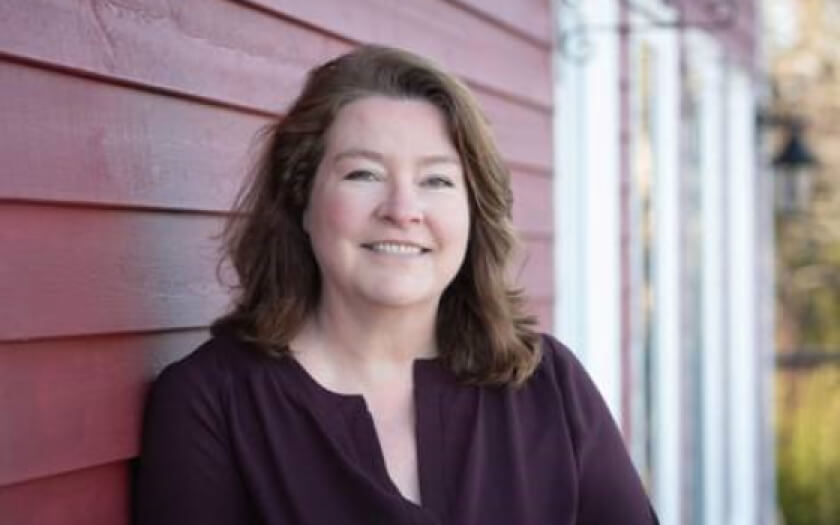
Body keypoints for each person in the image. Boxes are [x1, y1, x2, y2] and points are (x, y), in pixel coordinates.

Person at [134, 45, 658, 525]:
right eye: (364, 174)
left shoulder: (549, 386)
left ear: (475, 212)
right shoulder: (213, 401)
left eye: (437, 180)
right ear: (301, 201)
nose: (403, 211)